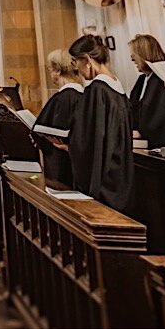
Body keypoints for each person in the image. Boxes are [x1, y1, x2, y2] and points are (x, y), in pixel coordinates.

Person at [66, 34, 133, 210]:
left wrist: (68, 145)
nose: (77, 69)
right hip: (118, 173)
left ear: (87, 59)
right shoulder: (116, 86)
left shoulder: (97, 90)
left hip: (102, 180)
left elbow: (87, 140)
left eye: (75, 62)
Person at [34, 49, 85, 187]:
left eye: (51, 69)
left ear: (57, 71)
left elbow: (55, 132)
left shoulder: (64, 98)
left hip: (61, 164)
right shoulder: (81, 95)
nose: (50, 74)